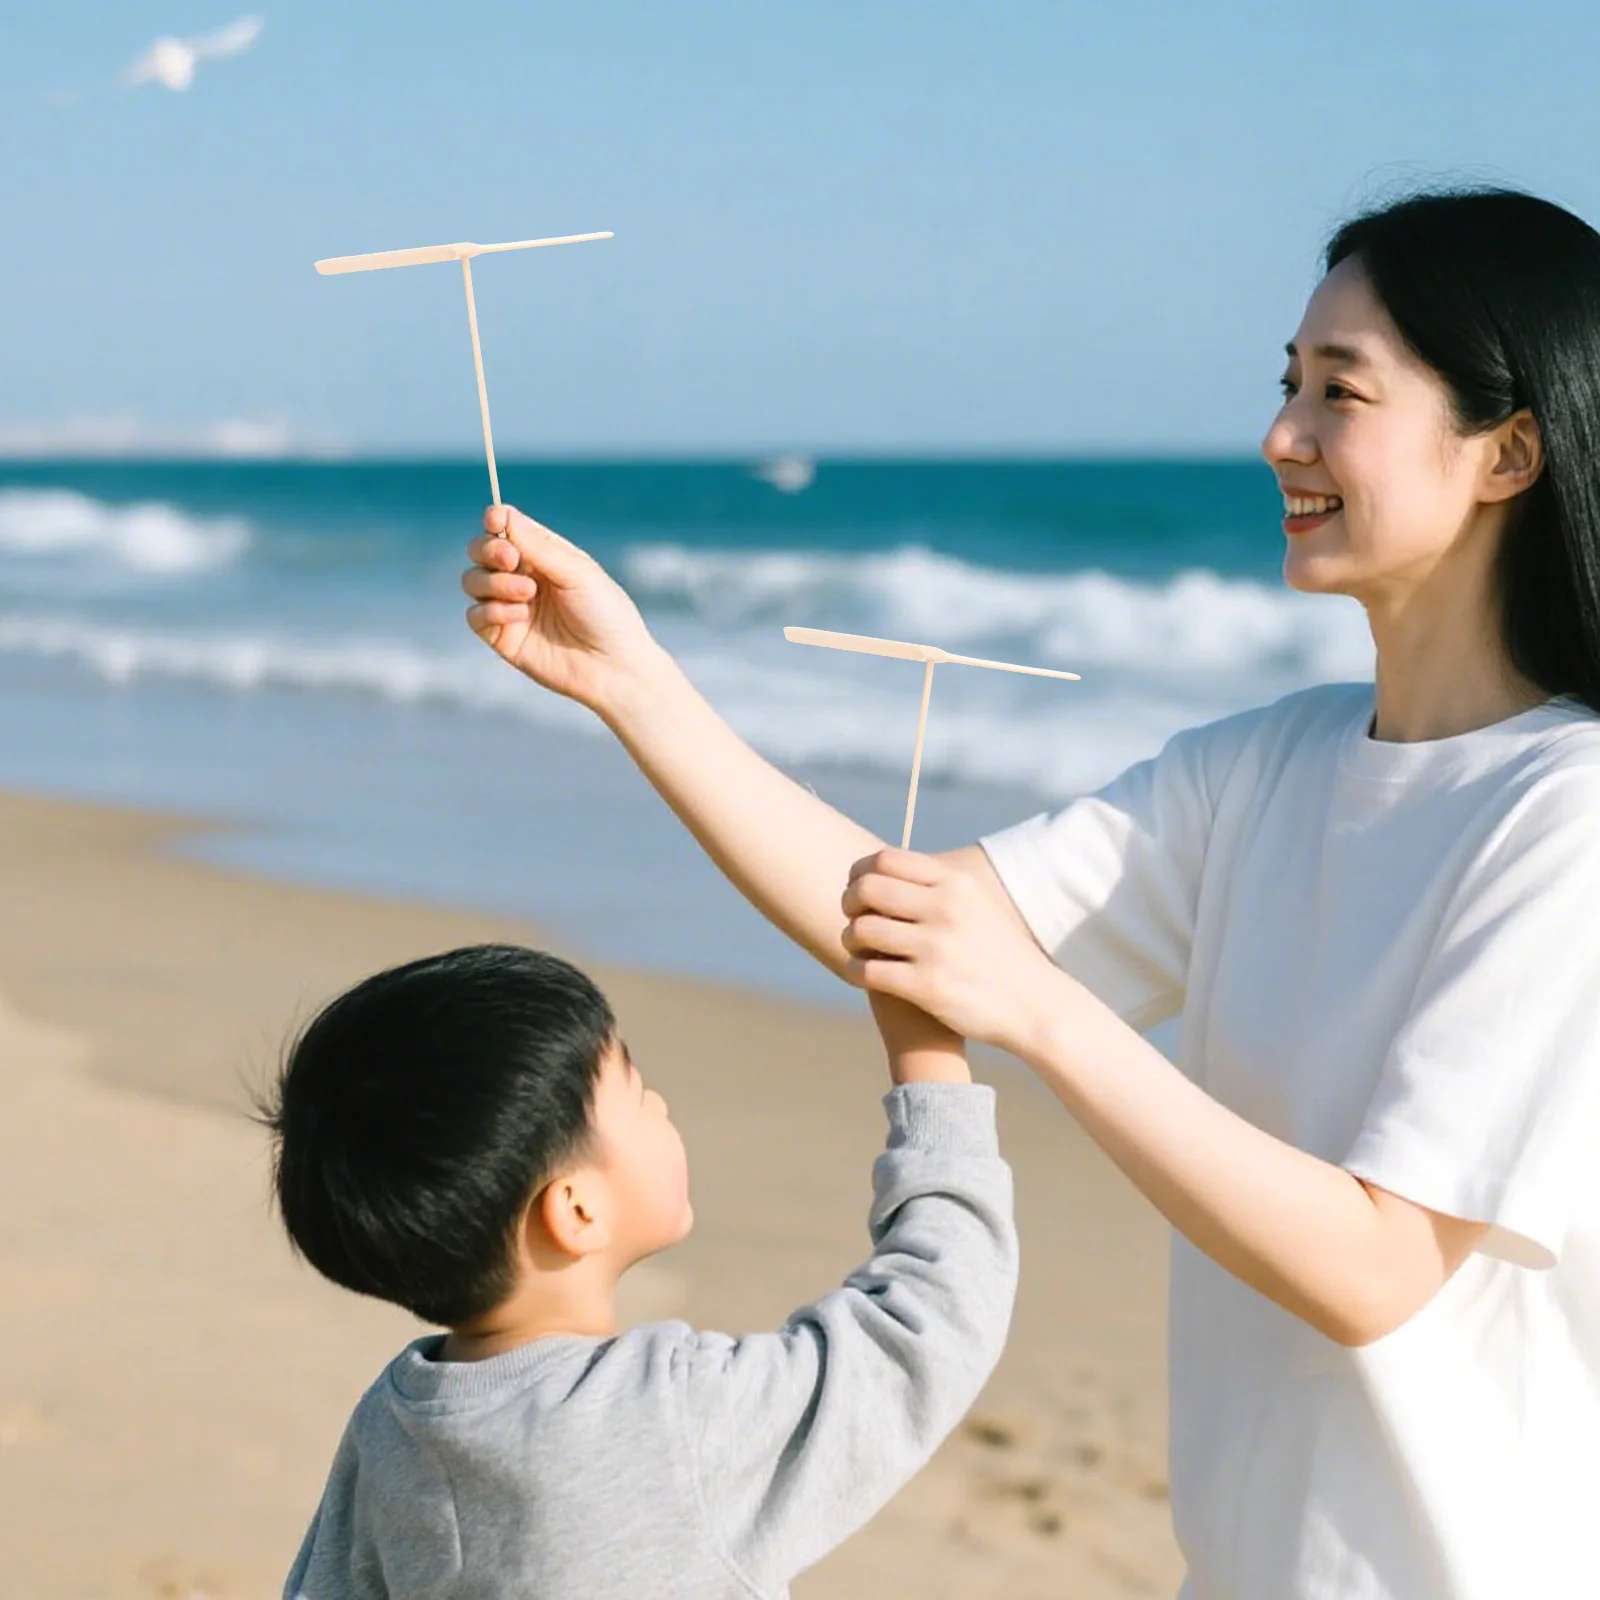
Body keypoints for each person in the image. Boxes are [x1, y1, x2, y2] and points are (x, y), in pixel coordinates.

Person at [462, 186, 1600, 1599]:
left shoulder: (1568, 814)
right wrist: (629, 679)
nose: (1281, 436)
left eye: (1340, 393)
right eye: (1287, 384)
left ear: (1508, 452)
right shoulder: (1267, 765)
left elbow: (1378, 1267)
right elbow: (897, 923)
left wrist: (1052, 1018)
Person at [263, 943, 1016, 1599]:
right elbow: (927, 1326)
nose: (660, 1103)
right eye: (634, 1090)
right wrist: (931, 1065)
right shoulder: (668, 1417)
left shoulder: (396, 1421)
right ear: (576, 1211)